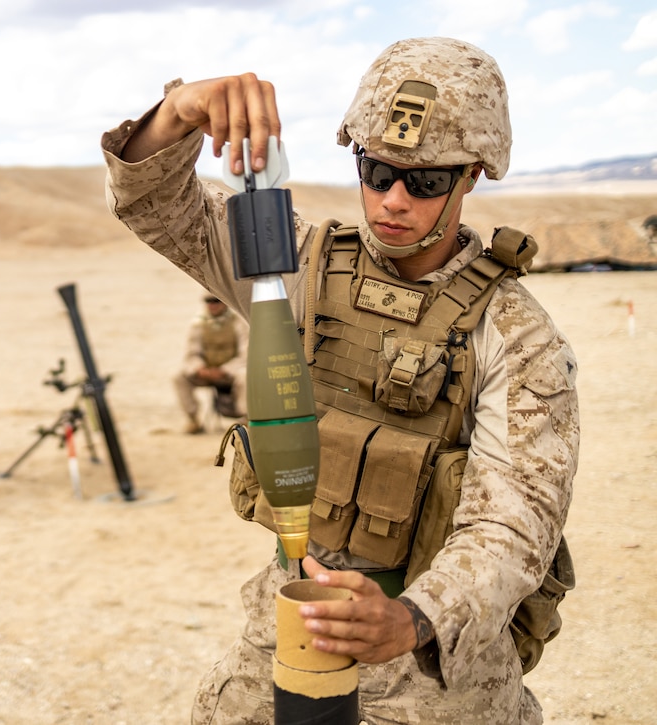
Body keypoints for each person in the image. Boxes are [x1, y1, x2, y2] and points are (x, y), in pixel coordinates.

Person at [102, 37, 579, 724]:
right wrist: (177, 111)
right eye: (376, 169)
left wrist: (412, 616)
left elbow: (516, 521)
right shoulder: (293, 265)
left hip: (433, 663)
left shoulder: (515, 334)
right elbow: (157, 208)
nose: (391, 200)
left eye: (425, 181)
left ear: (472, 175)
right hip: (291, 625)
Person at [175, 294, 248, 434]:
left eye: (217, 301)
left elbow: (245, 354)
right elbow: (191, 353)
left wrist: (225, 370)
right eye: (209, 302)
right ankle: (193, 419)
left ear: (225, 303)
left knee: (245, 377)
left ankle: (246, 417)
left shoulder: (238, 322)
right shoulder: (198, 323)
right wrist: (199, 368)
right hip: (206, 372)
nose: (213, 305)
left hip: (231, 372)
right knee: (179, 378)